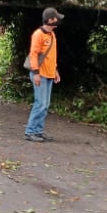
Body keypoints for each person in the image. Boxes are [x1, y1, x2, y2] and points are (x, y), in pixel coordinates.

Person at [24, 8, 63, 142]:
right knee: (40, 103)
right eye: (56, 18)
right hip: (39, 74)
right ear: (50, 20)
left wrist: (55, 70)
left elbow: (51, 56)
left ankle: (38, 131)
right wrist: (35, 73)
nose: (58, 20)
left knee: (45, 104)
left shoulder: (52, 35)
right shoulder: (38, 35)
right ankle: (30, 131)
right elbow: (34, 54)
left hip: (49, 74)